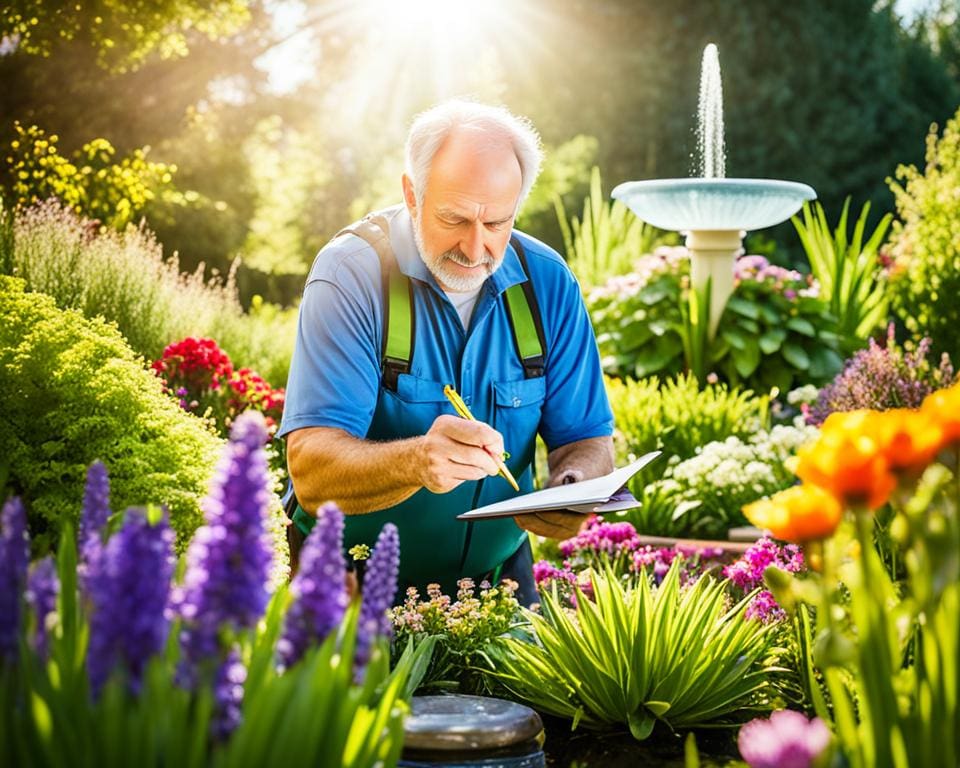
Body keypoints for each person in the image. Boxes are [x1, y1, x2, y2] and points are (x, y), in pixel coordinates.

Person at [279, 99, 614, 605]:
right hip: (350, 587)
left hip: (498, 583)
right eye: (455, 218)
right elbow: (311, 472)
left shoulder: (548, 283)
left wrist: (575, 485)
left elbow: (589, 440)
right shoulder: (351, 276)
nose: (476, 248)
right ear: (412, 194)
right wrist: (414, 461)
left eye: (497, 223)